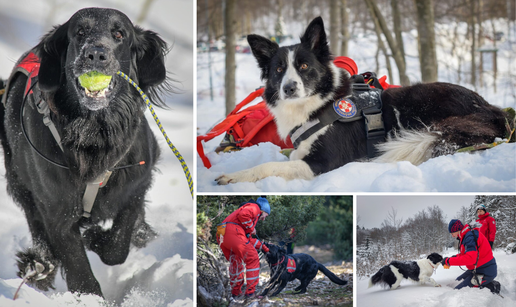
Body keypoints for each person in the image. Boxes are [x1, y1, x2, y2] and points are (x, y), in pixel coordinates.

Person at [216, 197, 270, 299]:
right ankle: (250, 293)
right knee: (253, 258)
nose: (263, 219)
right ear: (263, 210)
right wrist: (251, 228)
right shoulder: (255, 207)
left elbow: (248, 241)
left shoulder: (241, 219)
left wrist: (265, 248)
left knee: (236, 261)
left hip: (221, 233)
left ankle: (236, 293)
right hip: (232, 231)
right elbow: (243, 215)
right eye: (265, 215)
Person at [442, 219, 499, 293]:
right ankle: (483, 282)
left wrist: (449, 261)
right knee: (455, 282)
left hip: (485, 270)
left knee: (458, 291)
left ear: (458, 230)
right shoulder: (466, 235)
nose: (453, 236)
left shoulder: (470, 237)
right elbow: (466, 254)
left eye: (452, 233)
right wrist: (453, 257)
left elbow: (470, 259)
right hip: (475, 269)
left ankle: (492, 286)